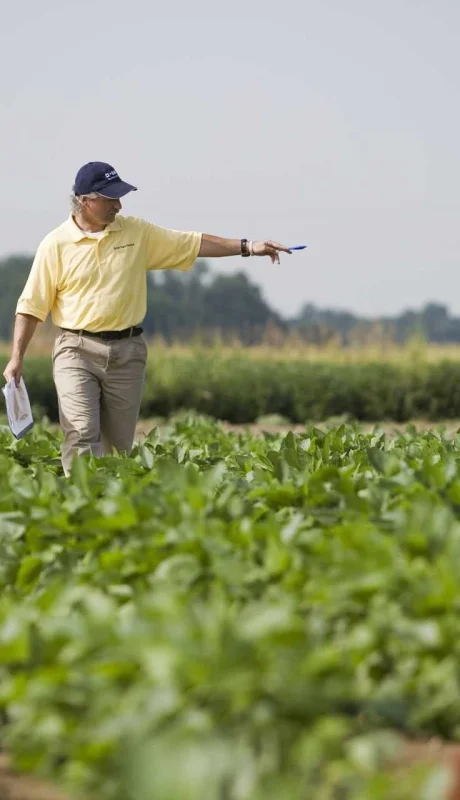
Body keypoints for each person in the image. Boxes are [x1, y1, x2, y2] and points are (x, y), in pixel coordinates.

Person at [3, 161, 292, 474]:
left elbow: (192, 243)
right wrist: (16, 358)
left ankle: (109, 508)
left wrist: (248, 246)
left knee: (118, 447)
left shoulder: (136, 232)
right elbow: (32, 306)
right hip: (76, 350)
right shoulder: (55, 244)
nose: (119, 204)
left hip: (128, 352)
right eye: (111, 198)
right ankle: (79, 504)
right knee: (82, 430)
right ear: (86, 200)